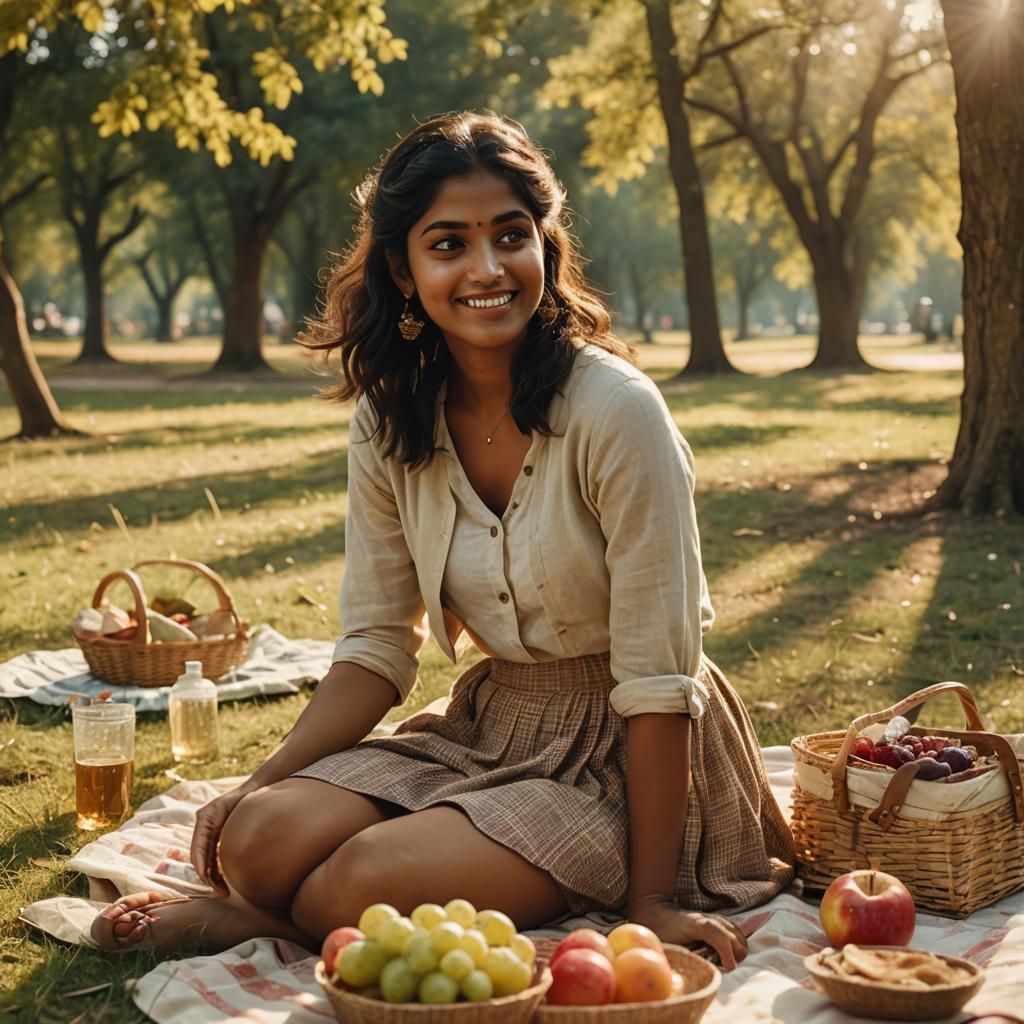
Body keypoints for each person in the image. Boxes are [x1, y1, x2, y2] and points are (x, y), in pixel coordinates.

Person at [91, 111, 794, 967]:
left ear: (545, 246)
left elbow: (657, 680)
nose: (487, 268)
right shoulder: (390, 418)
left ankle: (270, 925)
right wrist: (258, 782)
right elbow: (378, 647)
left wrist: (651, 903)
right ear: (404, 268)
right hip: (492, 722)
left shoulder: (617, 411)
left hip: (628, 751)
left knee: (351, 885)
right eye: (449, 244)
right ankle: (277, 904)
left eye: (511, 236)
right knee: (255, 843)